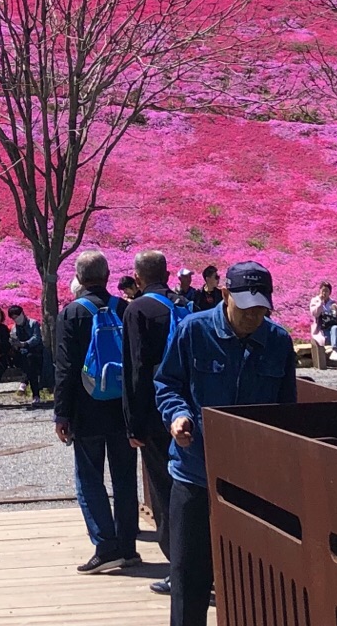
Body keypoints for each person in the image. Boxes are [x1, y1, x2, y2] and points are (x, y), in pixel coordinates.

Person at [156, 261, 297, 622]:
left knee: (255, 582)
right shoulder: (193, 330)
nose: (254, 316)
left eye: (261, 308)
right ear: (224, 294)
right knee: (189, 577)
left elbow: (287, 410)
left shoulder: (278, 341)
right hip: (195, 474)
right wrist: (177, 416)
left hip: (253, 483)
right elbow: (167, 383)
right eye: (247, 306)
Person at [54, 249, 138, 574]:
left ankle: (106, 546)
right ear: (107, 276)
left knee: (89, 479)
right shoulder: (125, 308)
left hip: (87, 411)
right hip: (123, 410)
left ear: (79, 277)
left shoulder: (72, 313)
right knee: (125, 479)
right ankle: (128, 547)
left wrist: (62, 414)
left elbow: (66, 368)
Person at [123, 250, 179, 595]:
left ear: (138, 278)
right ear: (168, 274)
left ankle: (178, 566)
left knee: (163, 490)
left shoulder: (137, 309)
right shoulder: (183, 305)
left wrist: (133, 424)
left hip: (157, 414)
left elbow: (136, 369)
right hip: (186, 410)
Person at [9, 304, 46, 407]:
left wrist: (25, 344)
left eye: (17, 316)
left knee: (30, 362)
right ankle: (33, 393)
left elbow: (36, 338)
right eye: (13, 318)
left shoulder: (33, 323)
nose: (16, 319)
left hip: (35, 353)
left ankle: (26, 383)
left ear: (22, 313)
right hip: (21, 355)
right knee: (28, 365)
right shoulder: (14, 328)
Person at [308, 282, 337, 369]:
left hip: (331, 328)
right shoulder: (314, 301)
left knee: (336, 329)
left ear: (330, 292)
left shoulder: (333, 303)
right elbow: (315, 314)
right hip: (321, 329)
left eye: (327, 291)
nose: (324, 293)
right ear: (319, 290)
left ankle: (335, 351)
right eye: (323, 290)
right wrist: (320, 303)